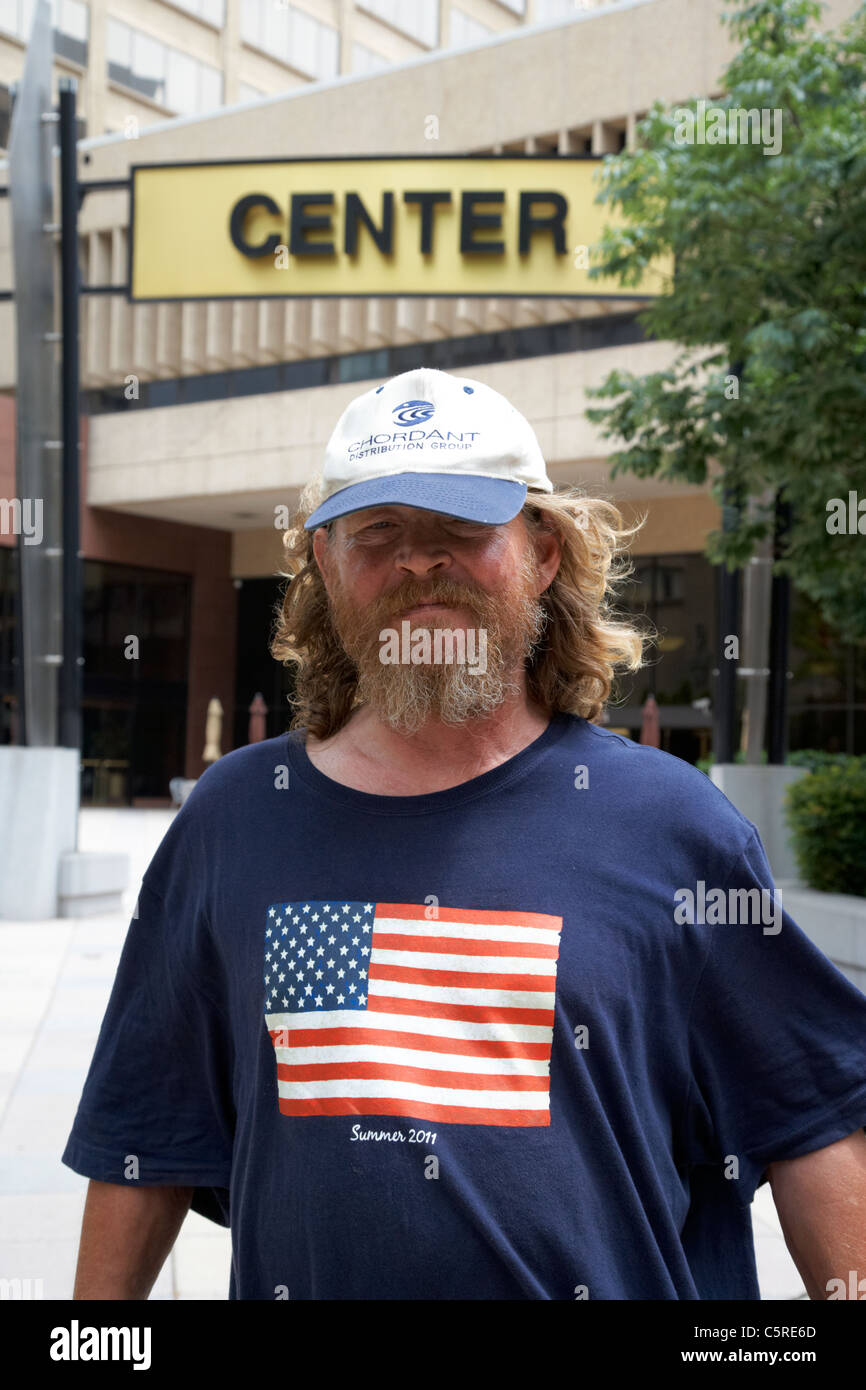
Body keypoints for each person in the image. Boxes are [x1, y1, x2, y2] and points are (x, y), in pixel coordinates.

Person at [63, 366, 866, 1301]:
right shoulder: (233, 819)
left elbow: (813, 1125)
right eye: (381, 532)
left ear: (545, 553)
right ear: (325, 563)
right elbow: (141, 1138)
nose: (418, 561)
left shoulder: (676, 828)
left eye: (459, 528)